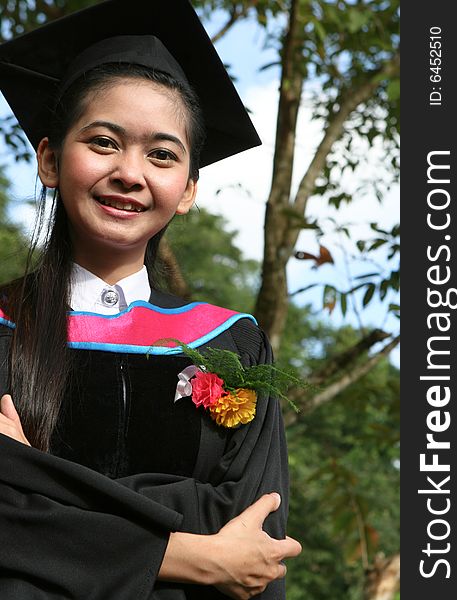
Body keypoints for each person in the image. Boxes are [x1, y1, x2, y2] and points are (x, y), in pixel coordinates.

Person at [0, 1, 301, 598]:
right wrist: (188, 543)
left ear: (188, 189)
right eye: (104, 142)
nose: (130, 173)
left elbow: (255, 537)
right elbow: (219, 539)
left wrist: (36, 493)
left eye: (162, 154)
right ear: (51, 159)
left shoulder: (227, 341)